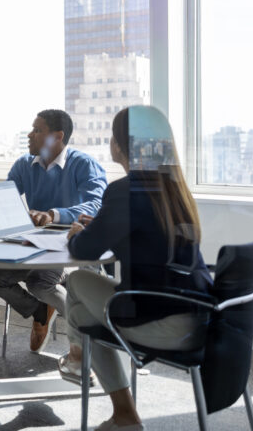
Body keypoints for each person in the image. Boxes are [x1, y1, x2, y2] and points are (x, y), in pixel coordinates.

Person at [62, 105, 212, 430]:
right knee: (82, 318)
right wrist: (102, 224)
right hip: (200, 317)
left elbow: (82, 250)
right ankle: (120, 411)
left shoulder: (124, 190)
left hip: (160, 323)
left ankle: (77, 359)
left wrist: (80, 232)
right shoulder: (174, 189)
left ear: (118, 145)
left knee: (76, 280)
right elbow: (143, 235)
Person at [0, 109, 107, 352]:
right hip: (33, 245)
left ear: (57, 136)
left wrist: (54, 214)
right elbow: (5, 198)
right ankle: (40, 311)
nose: (30, 135)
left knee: (40, 283)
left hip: (69, 246)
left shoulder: (84, 164)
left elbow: (96, 205)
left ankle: (93, 343)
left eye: (37, 130)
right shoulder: (24, 164)